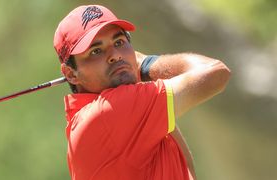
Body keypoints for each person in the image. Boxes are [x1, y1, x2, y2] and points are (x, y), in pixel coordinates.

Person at [53, 4, 230, 180]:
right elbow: (215, 73)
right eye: (96, 51)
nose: (116, 55)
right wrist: (145, 63)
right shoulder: (109, 112)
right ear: (70, 74)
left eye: (119, 42)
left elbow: (185, 169)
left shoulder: (98, 118)